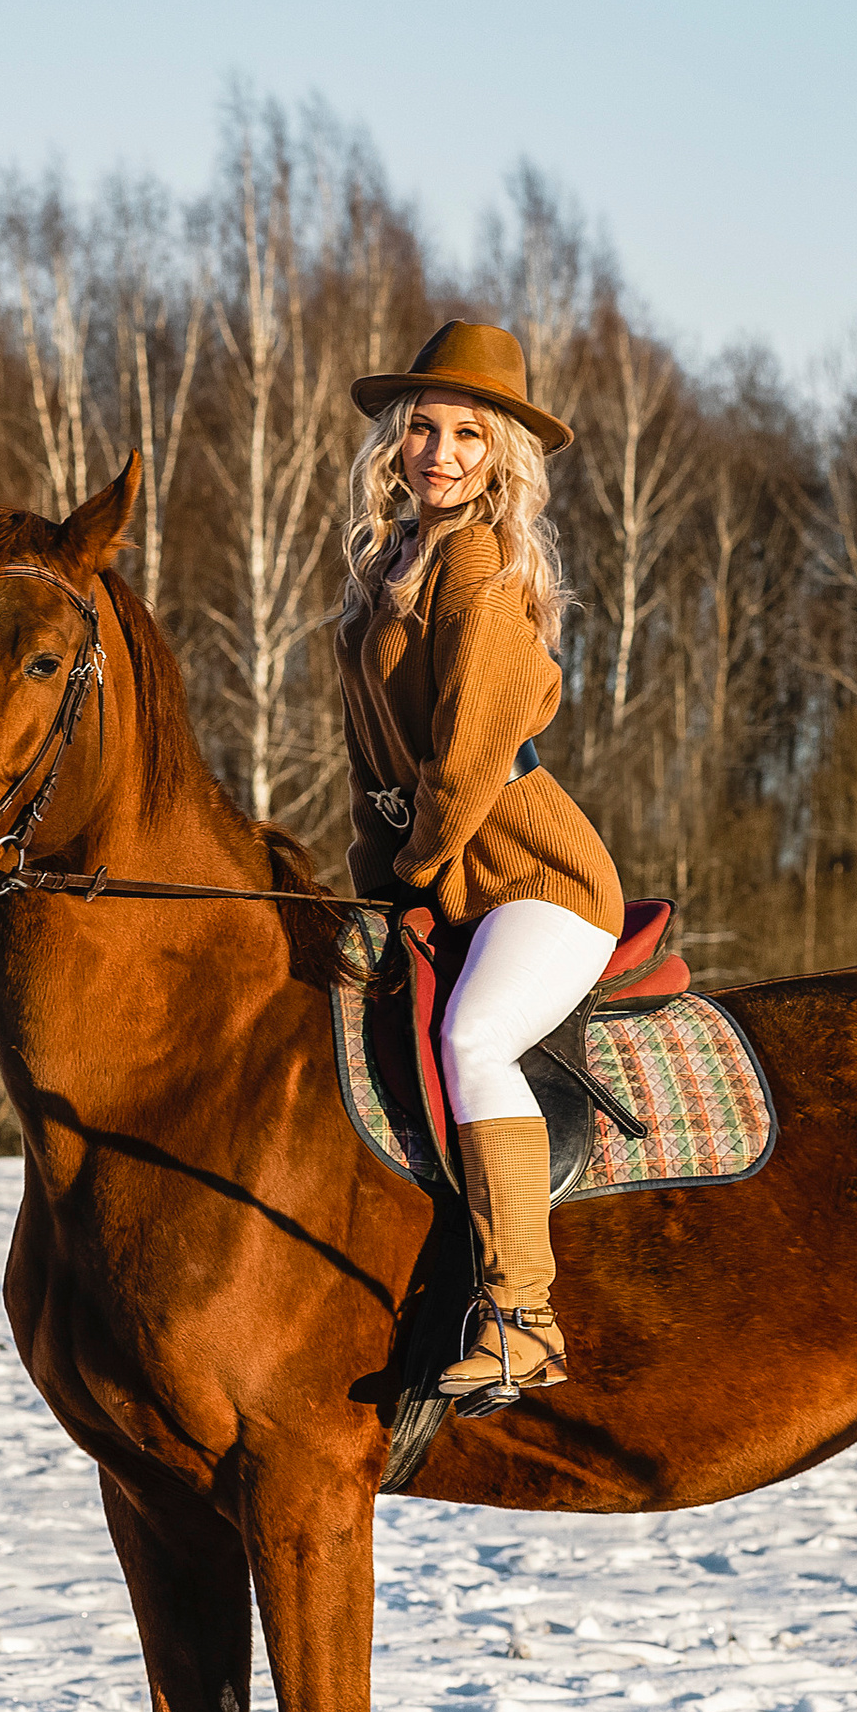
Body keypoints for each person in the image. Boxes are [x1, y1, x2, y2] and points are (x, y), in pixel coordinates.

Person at [337, 323, 625, 1408]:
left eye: (468, 434)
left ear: (500, 454)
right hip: (446, 869)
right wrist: (373, 887)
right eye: (423, 428)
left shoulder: (479, 561)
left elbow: (463, 762)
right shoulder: (382, 572)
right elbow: (371, 767)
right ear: (395, 442)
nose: (441, 453)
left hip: (536, 874)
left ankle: (523, 1320)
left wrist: (415, 862)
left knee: (474, 1037)